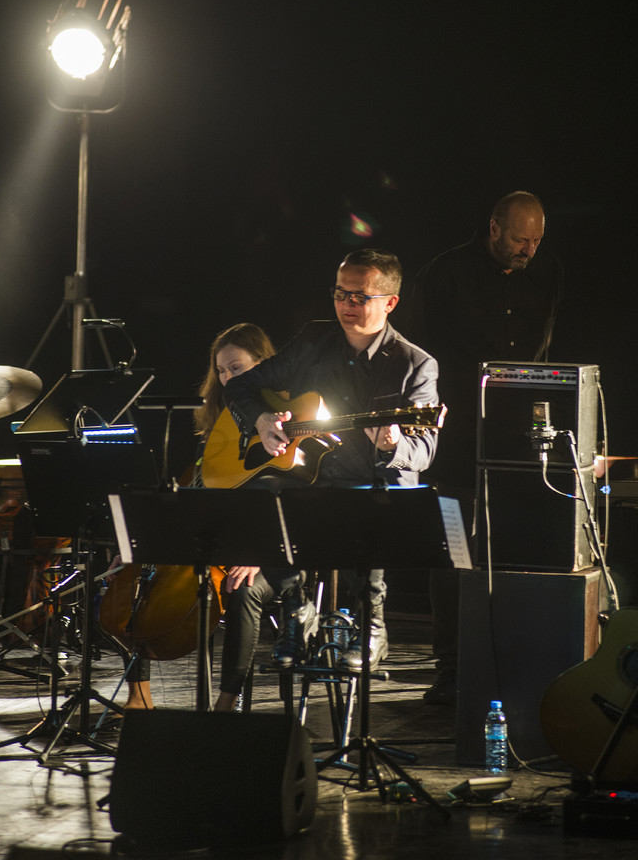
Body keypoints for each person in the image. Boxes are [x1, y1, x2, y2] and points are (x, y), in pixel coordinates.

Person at [222, 247, 440, 708]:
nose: (346, 305)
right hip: (310, 481)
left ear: (390, 302)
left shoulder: (415, 364)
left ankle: (370, 625)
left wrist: (392, 444)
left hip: (369, 488)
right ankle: (297, 606)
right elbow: (241, 385)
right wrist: (261, 421)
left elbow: (423, 451)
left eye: (359, 297)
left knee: (376, 501)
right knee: (255, 499)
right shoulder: (312, 341)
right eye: (340, 293)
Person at [411, 190, 563, 704]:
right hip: (454, 433)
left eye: (537, 241)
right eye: (521, 239)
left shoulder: (546, 275)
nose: (529, 250)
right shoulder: (446, 272)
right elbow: (424, 351)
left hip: (516, 435)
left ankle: (508, 661)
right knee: (453, 547)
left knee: (515, 543)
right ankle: (451, 668)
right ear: (494, 228)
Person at [111, 322, 306, 712]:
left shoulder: (288, 417)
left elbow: (298, 501)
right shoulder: (218, 418)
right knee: (134, 580)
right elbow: (196, 492)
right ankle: (139, 694)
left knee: (242, 590)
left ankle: (224, 703)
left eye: (236, 368)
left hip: (277, 548)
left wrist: (256, 550)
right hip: (220, 541)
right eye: (221, 370)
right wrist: (146, 543)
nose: (227, 377)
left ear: (265, 365)